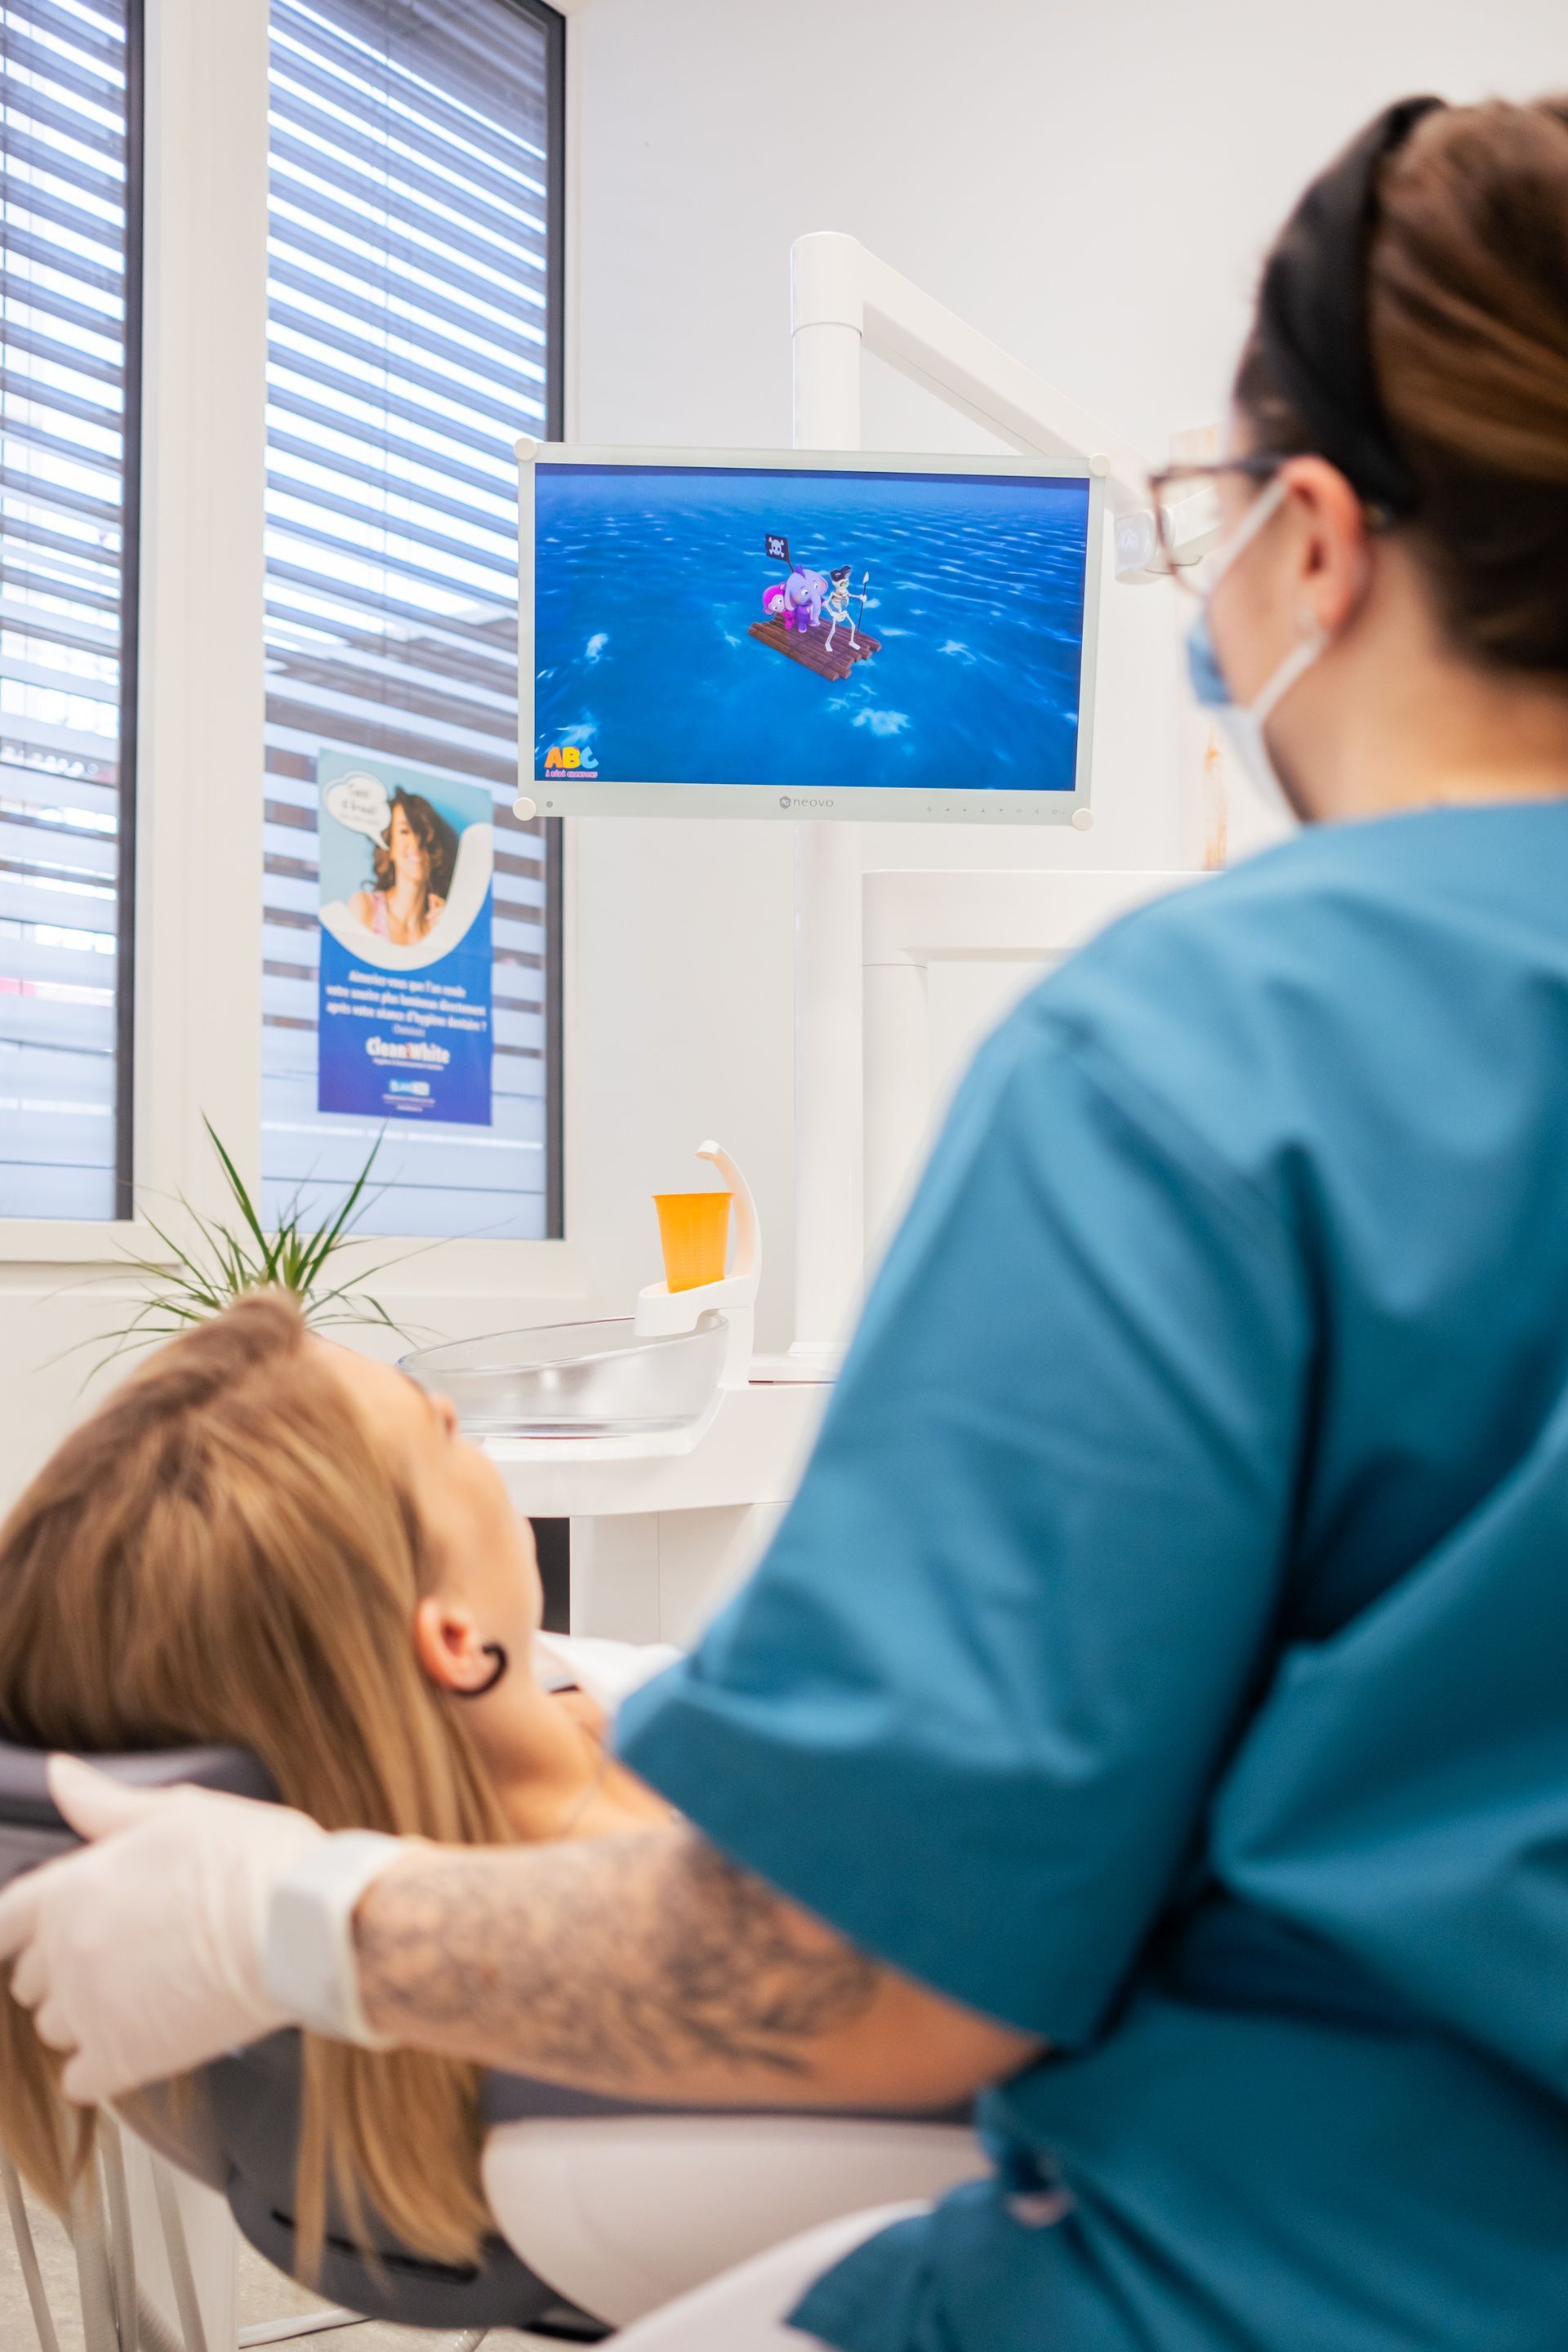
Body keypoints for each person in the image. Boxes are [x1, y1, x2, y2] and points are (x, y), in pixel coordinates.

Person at [8, 88, 1568, 2352]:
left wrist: (304, 1921)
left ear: (1314, 537)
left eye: (1199, 525)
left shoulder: (1215, 1052)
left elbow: (874, 1962)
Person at [0, 1290, 670, 2270]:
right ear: (450, 1638)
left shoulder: (571, 1740)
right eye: (448, 1435)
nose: (473, 1438)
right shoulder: (682, 1890)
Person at [348, 789, 453, 944]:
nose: (416, 842)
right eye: (404, 831)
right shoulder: (364, 907)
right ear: (389, 847)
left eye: (423, 832)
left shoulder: (439, 928)